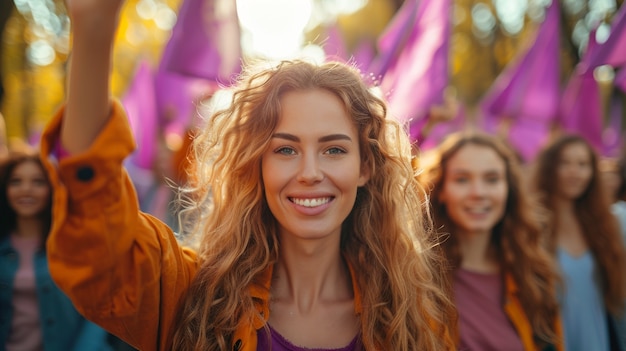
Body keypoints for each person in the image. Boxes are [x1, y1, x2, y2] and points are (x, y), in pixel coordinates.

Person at [38, 0, 456, 350]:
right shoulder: (194, 298)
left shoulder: (412, 322)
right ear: (257, 164)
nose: (310, 173)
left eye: (333, 149)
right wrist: (93, 31)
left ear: (365, 167)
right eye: (285, 149)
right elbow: (102, 256)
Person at [418, 131, 563, 351]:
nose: (478, 193)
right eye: (462, 179)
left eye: (492, 179)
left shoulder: (533, 277)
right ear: (441, 190)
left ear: (508, 190)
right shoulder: (414, 277)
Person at [0, 152, 114, 351]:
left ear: (52, 188)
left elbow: (98, 310)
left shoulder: (74, 245)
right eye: (16, 182)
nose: (26, 190)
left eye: (37, 182)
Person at [533, 134, 626, 351]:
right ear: (549, 168)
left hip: (599, 337)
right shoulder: (532, 226)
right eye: (565, 163)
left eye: (583, 164)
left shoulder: (607, 226)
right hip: (549, 339)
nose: (575, 172)